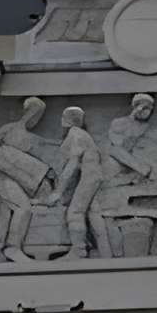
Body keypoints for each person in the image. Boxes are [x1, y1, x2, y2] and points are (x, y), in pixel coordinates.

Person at [0, 98, 51, 256]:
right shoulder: (9, 127)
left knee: (7, 211)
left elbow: (45, 144)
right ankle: (13, 247)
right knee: (23, 207)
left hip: (16, 177)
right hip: (1, 175)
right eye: (34, 115)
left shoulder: (29, 137)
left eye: (38, 117)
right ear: (27, 113)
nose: (35, 119)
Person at [55, 107, 109, 258]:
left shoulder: (75, 134)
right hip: (94, 176)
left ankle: (78, 250)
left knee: (75, 212)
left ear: (66, 120)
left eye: (62, 117)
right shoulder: (82, 134)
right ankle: (107, 253)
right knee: (93, 213)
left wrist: (58, 192)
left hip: (89, 177)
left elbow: (72, 165)